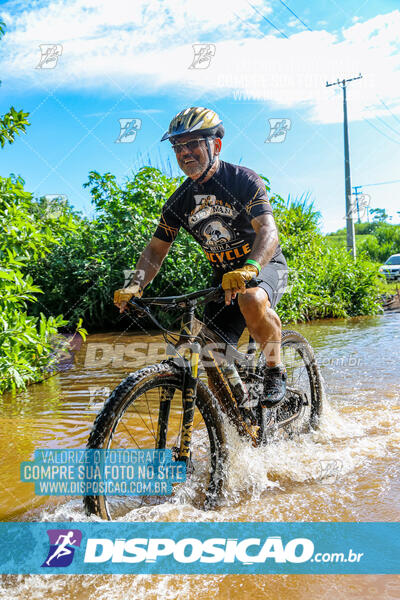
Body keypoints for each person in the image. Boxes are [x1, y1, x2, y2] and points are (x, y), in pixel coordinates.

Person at [114, 107, 288, 406]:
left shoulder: (243, 180)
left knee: (251, 299)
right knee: (211, 358)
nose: (185, 153)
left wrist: (250, 267)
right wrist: (136, 285)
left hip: (264, 266)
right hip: (222, 282)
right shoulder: (178, 201)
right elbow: (156, 249)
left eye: (193, 143)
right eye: (178, 147)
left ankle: (275, 369)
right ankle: (238, 434)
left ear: (215, 145)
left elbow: (268, 232)